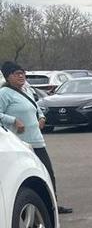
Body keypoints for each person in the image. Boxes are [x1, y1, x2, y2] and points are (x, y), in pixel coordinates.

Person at [0, 61, 72, 214]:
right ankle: (35, 207)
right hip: (20, 144)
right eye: (16, 74)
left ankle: (53, 205)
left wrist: (41, 117)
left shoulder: (25, 90)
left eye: (22, 73)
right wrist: (13, 120)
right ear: (8, 76)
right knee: (29, 177)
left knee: (48, 174)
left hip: (37, 141)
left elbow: (37, 107)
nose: (21, 76)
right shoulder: (4, 93)